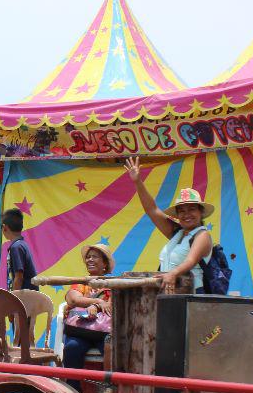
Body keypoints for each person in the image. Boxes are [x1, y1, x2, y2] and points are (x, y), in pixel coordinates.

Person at [125, 157, 213, 292]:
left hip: (192, 296)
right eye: (182, 211)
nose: (187, 214)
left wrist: (172, 273)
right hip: (170, 293)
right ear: (177, 215)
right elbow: (152, 210)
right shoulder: (177, 233)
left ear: (201, 212)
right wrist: (137, 181)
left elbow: (190, 261)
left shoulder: (202, 235)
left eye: (192, 209)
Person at [62, 244, 114, 375]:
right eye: (88, 257)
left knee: (113, 350)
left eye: (94, 257)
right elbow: (73, 300)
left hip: (104, 333)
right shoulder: (80, 283)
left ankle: (109, 388)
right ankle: (73, 389)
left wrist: (95, 307)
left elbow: (113, 305)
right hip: (79, 332)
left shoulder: (113, 285)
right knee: (72, 347)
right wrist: (98, 301)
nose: (90, 260)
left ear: (104, 264)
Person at [1, 208, 38, 290]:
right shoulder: (22, 244)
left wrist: (14, 298)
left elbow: (19, 277)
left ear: (4, 227)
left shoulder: (16, 247)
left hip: (25, 297)